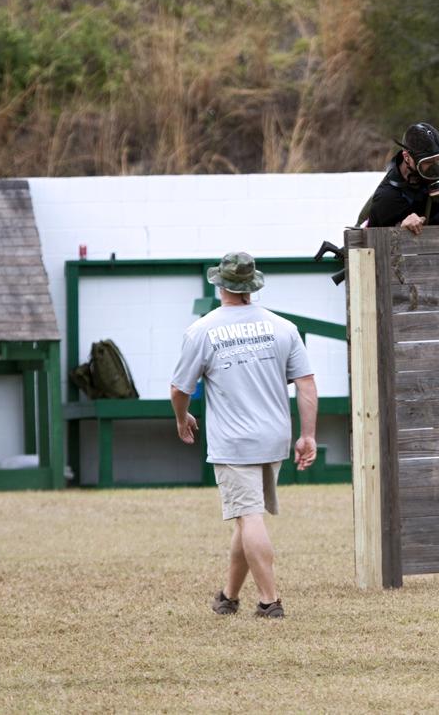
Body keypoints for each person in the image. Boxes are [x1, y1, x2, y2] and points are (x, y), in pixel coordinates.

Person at [170, 252, 318, 619]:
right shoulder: (283, 327)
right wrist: (307, 436)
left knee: (249, 516)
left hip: (233, 443)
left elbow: (178, 388)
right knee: (245, 514)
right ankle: (228, 597)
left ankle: (269, 601)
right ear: (253, 286)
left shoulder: (202, 330)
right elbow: (307, 385)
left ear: (219, 284)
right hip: (274, 439)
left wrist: (181, 417)